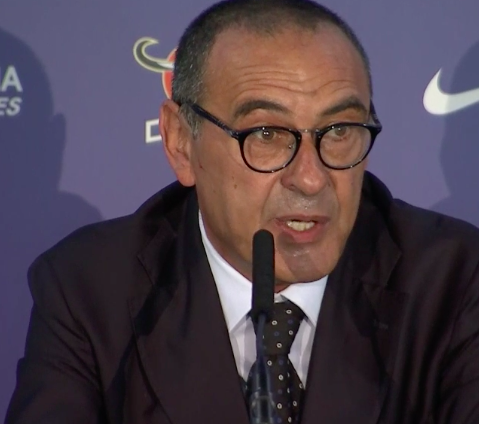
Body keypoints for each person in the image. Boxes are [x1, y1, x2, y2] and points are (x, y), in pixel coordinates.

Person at [5, 0, 479, 423]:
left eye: (338, 130)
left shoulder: (453, 281)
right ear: (180, 142)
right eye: (266, 135)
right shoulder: (89, 291)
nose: (311, 179)